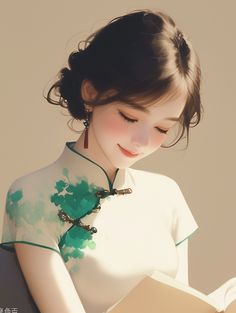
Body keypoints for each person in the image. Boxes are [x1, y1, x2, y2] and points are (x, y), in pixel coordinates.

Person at [0, 8, 202, 313]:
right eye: (129, 116)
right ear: (91, 93)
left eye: (163, 127)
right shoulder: (34, 197)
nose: (143, 141)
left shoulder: (167, 196)